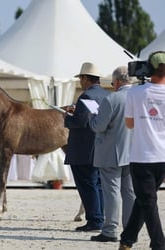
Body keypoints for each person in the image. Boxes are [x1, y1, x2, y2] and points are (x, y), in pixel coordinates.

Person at [119, 51, 165, 250]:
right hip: (162, 156)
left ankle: (159, 244)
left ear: (149, 68)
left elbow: (129, 124)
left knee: (148, 201)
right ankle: (127, 240)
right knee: (145, 200)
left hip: (142, 156)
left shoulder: (135, 93)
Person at [88, 66, 136, 242]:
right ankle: (131, 230)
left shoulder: (112, 99)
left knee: (112, 192)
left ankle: (110, 230)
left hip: (111, 152)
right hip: (134, 151)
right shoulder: (139, 96)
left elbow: (98, 126)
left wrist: (92, 117)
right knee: (130, 192)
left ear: (116, 82)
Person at [64, 62, 110, 231]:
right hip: (101, 146)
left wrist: (67, 116)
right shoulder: (106, 95)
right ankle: (100, 217)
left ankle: (95, 220)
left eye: (80, 78)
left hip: (84, 149)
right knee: (98, 184)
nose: (80, 82)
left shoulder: (85, 96)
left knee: (87, 184)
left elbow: (79, 122)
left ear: (85, 78)